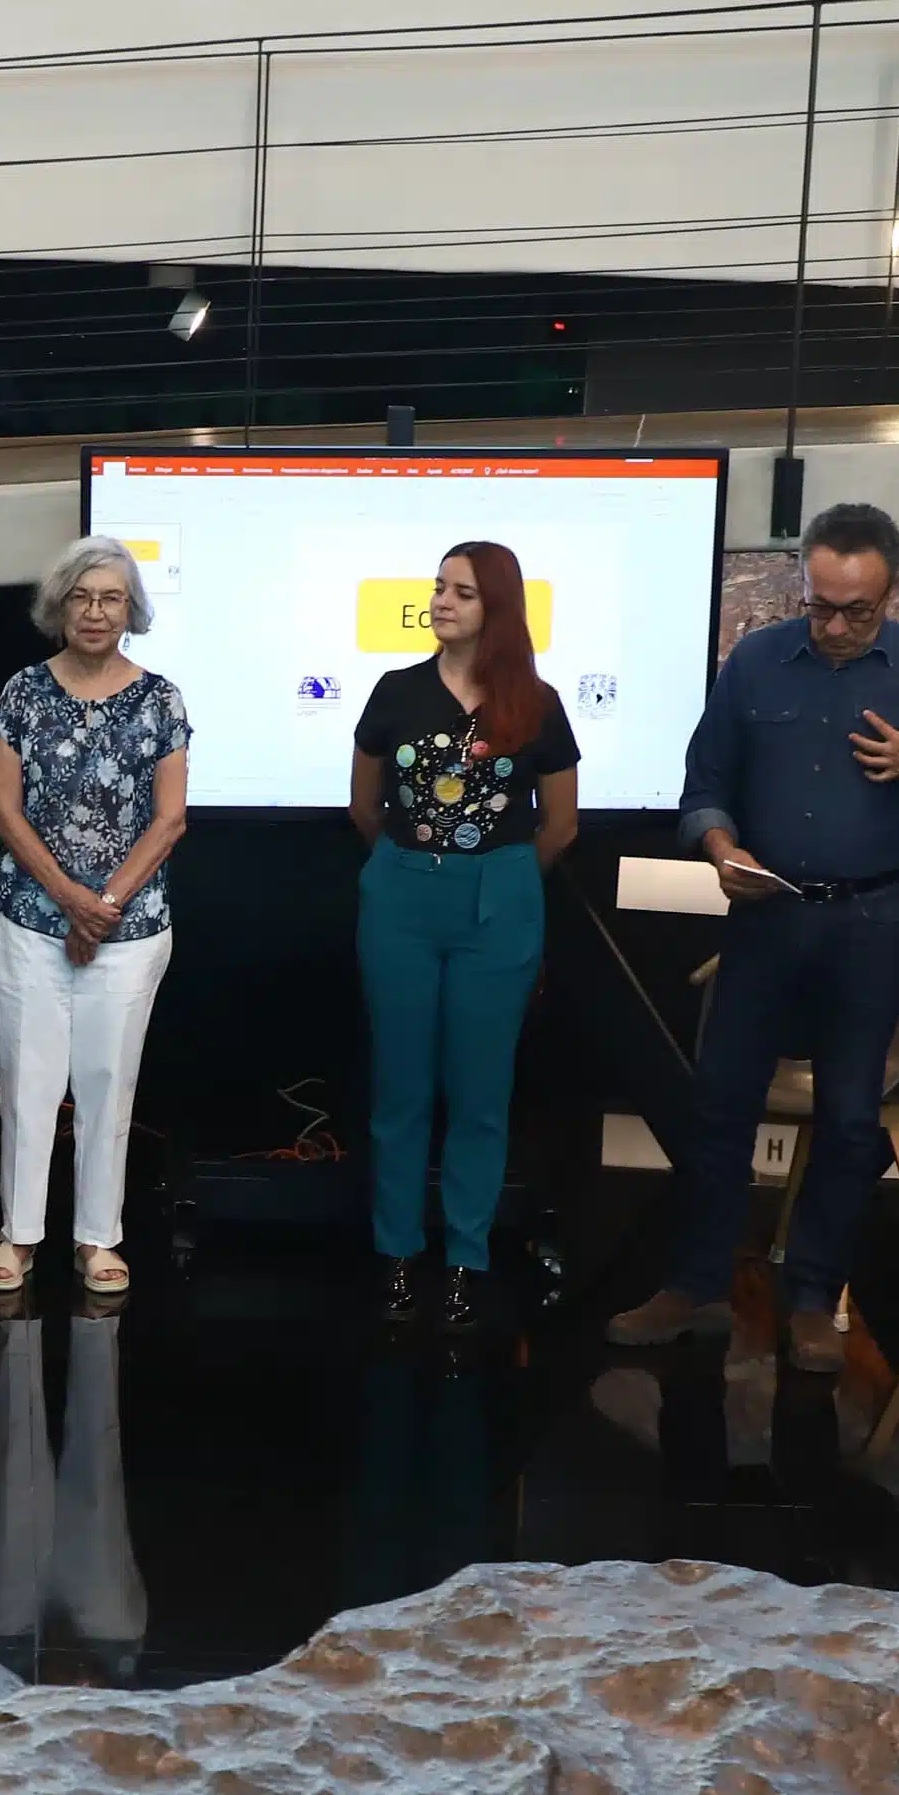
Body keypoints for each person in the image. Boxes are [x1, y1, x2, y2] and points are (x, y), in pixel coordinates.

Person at [609, 502, 899, 1373]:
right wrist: (720, 847)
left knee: (851, 1117)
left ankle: (814, 1302)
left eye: (853, 610)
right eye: (817, 605)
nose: (831, 626)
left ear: (889, 593)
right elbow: (703, 785)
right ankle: (695, 1283)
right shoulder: (753, 662)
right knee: (717, 1107)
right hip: (763, 913)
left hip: (872, 921)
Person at [347, 540, 579, 1332]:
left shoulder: (537, 703)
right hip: (403, 896)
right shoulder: (396, 691)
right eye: (439, 588)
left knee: (481, 1094)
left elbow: (561, 826)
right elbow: (363, 806)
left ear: (498, 611)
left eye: (463, 593)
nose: (442, 602)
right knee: (402, 1090)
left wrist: (497, 878)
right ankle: (397, 1254)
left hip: (501, 900)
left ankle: (466, 1260)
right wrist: (423, 870)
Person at [0, 535, 188, 1303]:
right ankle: (18, 1234)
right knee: (27, 1080)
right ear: (58, 606)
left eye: (111, 598)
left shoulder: (162, 698)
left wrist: (102, 908)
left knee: (108, 1081)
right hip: (30, 915)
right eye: (82, 597)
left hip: (132, 926)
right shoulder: (23, 692)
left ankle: (99, 1237)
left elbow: (169, 821)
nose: (96, 612)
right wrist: (69, 897)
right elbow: (3, 808)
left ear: (131, 609)